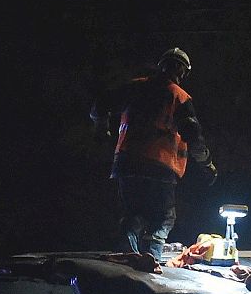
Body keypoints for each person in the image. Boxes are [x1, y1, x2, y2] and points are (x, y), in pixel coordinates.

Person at [90, 47, 217, 261]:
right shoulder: (178, 96)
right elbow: (193, 135)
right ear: (183, 72)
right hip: (161, 166)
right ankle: (151, 258)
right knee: (163, 218)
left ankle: (127, 257)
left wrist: (102, 130)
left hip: (127, 163)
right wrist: (207, 164)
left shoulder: (135, 87)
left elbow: (99, 105)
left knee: (133, 214)